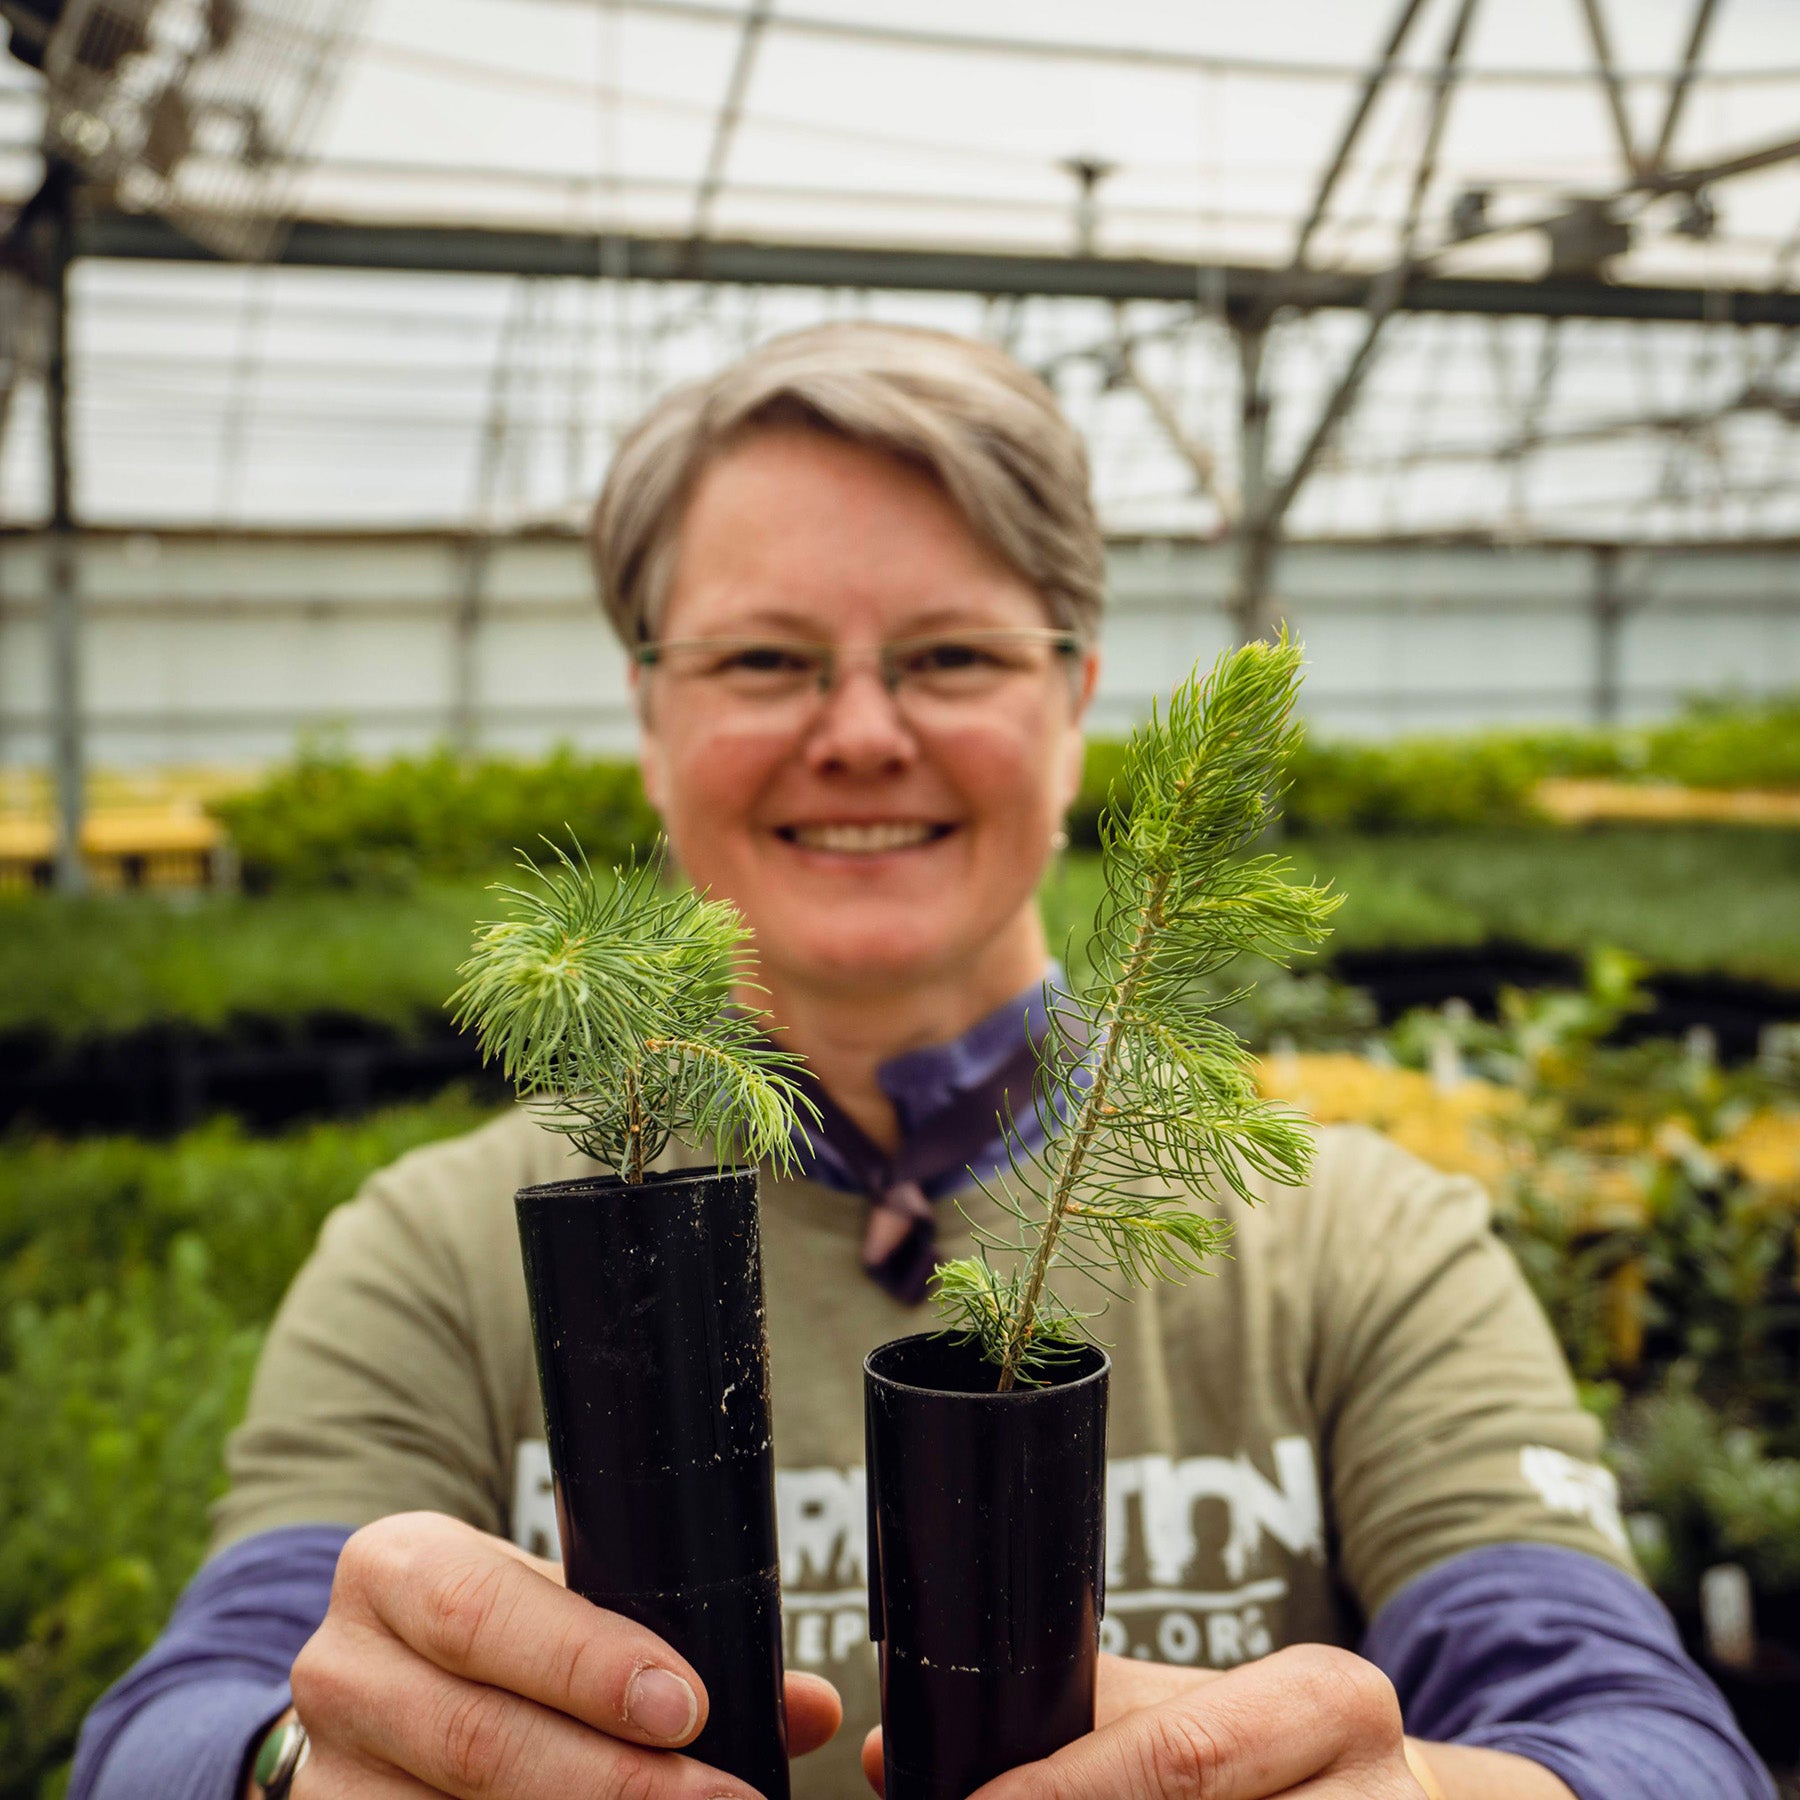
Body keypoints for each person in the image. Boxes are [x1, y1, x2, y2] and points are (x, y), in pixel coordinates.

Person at [73, 323, 1772, 1800]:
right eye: (764, 659)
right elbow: (175, 1721)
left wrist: (1431, 1789)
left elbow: (1645, 1732)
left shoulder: (1360, 1243)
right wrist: (300, 1766)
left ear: (1077, 700)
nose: (863, 729)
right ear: (651, 718)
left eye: (951, 655)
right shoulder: (448, 1255)